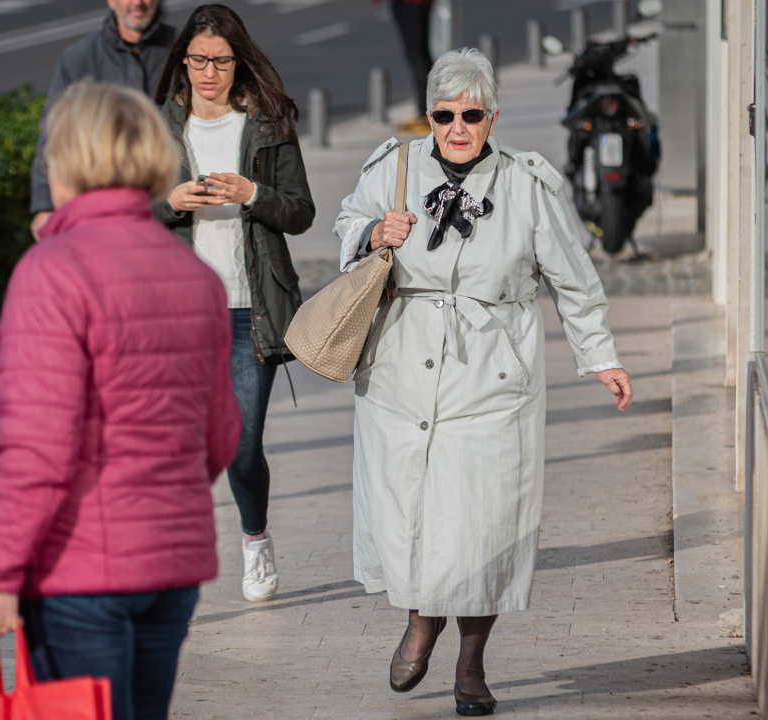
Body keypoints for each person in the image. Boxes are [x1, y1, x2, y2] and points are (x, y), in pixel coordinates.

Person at [334, 49, 633, 716]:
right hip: (401, 372)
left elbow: (575, 280)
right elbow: (344, 226)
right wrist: (372, 229)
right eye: (445, 115)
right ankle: (421, 619)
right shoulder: (393, 167)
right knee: (412, 513)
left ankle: (471, 665)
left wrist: (601, 356)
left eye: (472, 114)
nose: (458, 126)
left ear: (493, 117)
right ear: (431, 117)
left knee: (484, 525)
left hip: (494, 376)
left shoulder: (527, 185)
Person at [0, 81, 242, 720]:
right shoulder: (195, 276)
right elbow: (219, 435)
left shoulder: (51, 271)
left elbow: (38, 451)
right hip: (170, 568)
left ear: (67, 161)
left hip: (78, 572)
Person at [153, 3, 315, 604]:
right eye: (198, 60)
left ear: (237, 60)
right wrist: (171, 201)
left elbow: (300, 212)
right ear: (184, 62)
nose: (208, 73)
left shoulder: (268, 123)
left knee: (241, 445)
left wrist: (253, 194)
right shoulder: (161, 125)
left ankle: (255, 539)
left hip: (252, 310)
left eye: (219, 61)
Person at [30, 0, 177, 238]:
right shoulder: (78, 57)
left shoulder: (184, 49)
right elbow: (55, 133)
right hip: (102, 204)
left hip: (171, 199)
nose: (138, 3)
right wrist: (45, 204)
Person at [389, 0, 434, 135]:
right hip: (414, 3)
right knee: (418, 55)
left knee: (417, 56)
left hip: (411, 4)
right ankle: (426, 111)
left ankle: (425, 112)